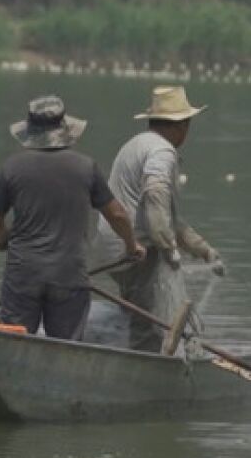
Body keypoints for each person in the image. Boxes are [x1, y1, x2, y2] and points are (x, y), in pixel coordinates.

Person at [0, 95, 144, 340]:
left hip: (23, 272)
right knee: (67, 345)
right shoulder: (86, 167)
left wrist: (3, 237)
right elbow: (117, 214)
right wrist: (132, 246)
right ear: (64, 129)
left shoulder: (12, 167)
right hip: (68, 274)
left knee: (13, 338)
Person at [94, 86, 224, 352]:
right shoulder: (162, 152)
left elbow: (169, 219)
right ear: (181, 125)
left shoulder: (137, 144)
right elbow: (156, 195)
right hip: (135, 248)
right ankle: (144, 367)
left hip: (112, 244)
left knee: (137, 310)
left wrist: (203, 250)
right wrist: (168, 249)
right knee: (147, 320)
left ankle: (130, 353)